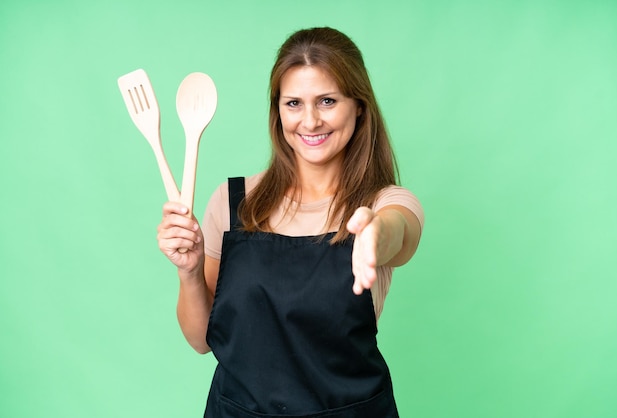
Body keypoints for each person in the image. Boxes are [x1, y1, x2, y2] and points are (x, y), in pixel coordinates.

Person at [157, 27, 424, 418]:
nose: (310, 121)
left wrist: (374, 234)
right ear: (277, 111)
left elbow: (398, 231)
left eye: (328, 101)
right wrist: (190, 272)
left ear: (359, 107)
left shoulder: (384, 203)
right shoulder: (233, 203)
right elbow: (201, 341)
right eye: (294, 103)